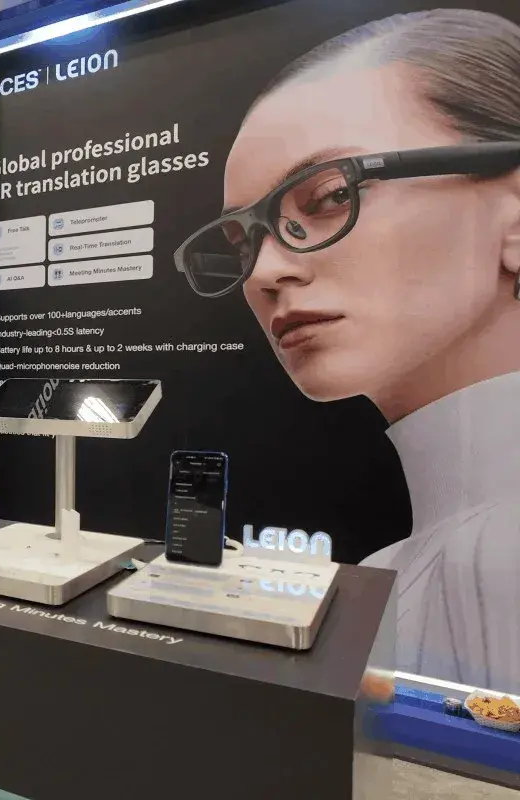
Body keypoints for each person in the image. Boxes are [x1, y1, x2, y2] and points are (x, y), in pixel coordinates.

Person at [175, 9, 520, 690]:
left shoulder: (490, 562)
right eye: (244, 243)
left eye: (332, 195)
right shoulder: (407, 569)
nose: (267, 272)